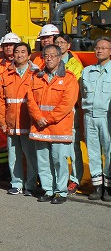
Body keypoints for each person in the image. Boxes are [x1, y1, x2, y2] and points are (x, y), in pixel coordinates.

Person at [27, 44, 78, 204]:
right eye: (46, 56)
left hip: (58, 129)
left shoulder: (69, 79)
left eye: (52, 56)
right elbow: (30, 100)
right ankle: (48, 190)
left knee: (59, 161)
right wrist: (37, 116)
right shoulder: (37, 77)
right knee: (43, 161)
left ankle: (60, 192)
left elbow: (66, 105)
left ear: (59, 57)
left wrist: (47, 119)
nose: (48, 59)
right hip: (40, 128)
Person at [0, 42, 39, 195]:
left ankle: (31, 184)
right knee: (13, 156)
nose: (19, 55)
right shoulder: (6, 74)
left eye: (23, 52)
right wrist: (2, 121)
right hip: (11, 122)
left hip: (28, 121)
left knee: (30, 155)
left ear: (29, 55)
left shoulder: (36, 74)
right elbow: (1, 101)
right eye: (17, 52)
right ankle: (16, 183)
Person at [80, 37, 111, 201]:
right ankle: (97, 187)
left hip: (107, 117)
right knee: (93, 153)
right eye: (97, 48)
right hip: (89, 116)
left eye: (104, 48)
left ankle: (108, 187)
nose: (100, 51)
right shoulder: (87, 71)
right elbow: (82, 94)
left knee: (109, 152)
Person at [54, 33, 85, 195]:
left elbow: (74, 89)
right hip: (54, 110)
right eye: (56, 42)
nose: (59, 45)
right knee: (58, 147)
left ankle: (75, 179)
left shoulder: (74, 64)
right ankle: (60, 178)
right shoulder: (51, 62)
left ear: (68, 45)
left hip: (70, 110)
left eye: (62, 42)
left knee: (73, 148)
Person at [0, 32, 21, 179]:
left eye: (11, 45)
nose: (9, 48)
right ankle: (4, 170)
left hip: (17, 108)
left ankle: (19, 171)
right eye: (6, 45)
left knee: (18, 140)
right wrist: (1, 102)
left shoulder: (22, 63)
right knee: (0, 139)